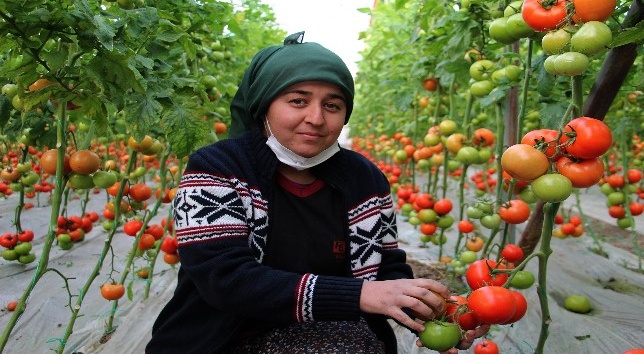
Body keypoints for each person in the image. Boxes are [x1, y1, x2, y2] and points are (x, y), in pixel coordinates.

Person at [146, 32, 487, 354]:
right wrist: (360, 295)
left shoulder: (364, 178)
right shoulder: (217, 168)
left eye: (333, 105)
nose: (315, 118)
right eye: (297, 101)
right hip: (219, 337)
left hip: (327, 331)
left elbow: (386, 269)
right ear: (265, 105)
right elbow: (225, 278)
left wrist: (429, 312)